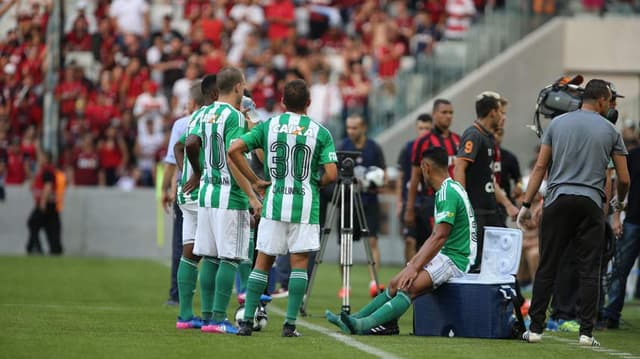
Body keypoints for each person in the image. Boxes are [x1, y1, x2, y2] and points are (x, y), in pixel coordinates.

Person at [518, 79, 630, 346]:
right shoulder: (610, 131)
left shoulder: (557, 124)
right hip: (591, 203)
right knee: (590, 269)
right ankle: (586, 333)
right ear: (602, 100)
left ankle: (535, 329)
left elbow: (540, 167)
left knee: (547, 265)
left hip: (558, 200)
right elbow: (623, 178)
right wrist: (619, 204)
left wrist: (525, 204)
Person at [228, 79, 338, 337]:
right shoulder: (321, 132)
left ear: (282, 102)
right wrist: (316, 184)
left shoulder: (269, 125)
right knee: (299, 263)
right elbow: (332, 174)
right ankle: (289, 325)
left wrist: (256, 181)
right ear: (309, 103)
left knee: (263, 261)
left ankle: (246, 322)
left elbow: (234, 149)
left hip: (274, 201)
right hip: (304, 203)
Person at [326, 146, 476, 335]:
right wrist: (413, 264)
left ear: (426, 167)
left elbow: (440, 236)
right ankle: (354, 319)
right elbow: (436, 236)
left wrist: (414, 267)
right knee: (394, 283)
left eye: (421, 169)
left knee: (407, 287)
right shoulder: (450, 188)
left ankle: (364, 325)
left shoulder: (447, 193)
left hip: (457, 259)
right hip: (449, 253)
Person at [184, 67, 261, 334]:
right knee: (230, 257)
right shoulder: (234, 116)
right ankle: (218, 319)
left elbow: (190, 142)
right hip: (230, 195)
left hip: (206, 193)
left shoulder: (201, 112)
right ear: (239, 87)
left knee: (210, 257)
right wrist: (252, 193)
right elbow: (232, 157)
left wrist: (198, 171)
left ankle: (206, 317)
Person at [163, 75, 218, 327]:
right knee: (216, 254)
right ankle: (211, 317)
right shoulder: (219, 116)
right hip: (209, 192)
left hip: (187, 193)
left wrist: (185, 174)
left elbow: (178, 147)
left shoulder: (190, 119)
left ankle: (185, 314)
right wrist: (197, 172)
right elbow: (191, 144)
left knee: (188, 249)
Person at [454, 92, 518, 273]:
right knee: (474, 261)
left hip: (489, 209)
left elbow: (489, 179)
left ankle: (515, 299)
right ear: (492, 112)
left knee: (503, 254)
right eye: (500, 112)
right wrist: (462, 203)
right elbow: (460, 166)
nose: (502, 116)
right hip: (476, 210)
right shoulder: (473, 135)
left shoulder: (488, 138)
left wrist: (508, 205)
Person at [340, 114, 386, 297]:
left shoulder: (374, 147)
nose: (351, 131)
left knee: (372, 241)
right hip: (348, 200)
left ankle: (374, 282)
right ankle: (346, 285)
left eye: (355, 127)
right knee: (346, 243)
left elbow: (383, 174)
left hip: (369, 201)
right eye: (348, 127)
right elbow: (335, 171)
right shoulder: (343, 147)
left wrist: (373, 180)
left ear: (363, 127)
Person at [601, 125, 640, 329]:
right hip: (633, 220)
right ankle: (611, 314)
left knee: (620, 269)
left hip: (633, 221)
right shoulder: (632, 156)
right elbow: (621, 186)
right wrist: (616, 217)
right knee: (619, 268)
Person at [404, 99, 459, 236]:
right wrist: (409, 208)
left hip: (455, 200)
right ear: (434, 114)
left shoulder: (459, 140)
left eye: (451, 112)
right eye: (444, 112)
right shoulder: (423, 142)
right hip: (432, 200)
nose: (448, 116)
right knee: (436, 242)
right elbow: (415, 176)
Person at [396, 114, 433, 262]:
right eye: (421, 128)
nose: (423, 131)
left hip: (428, 201)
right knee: (409, 240)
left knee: (427, 242)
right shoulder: (408, 148)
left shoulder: (434, 148)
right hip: (410, 201)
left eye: (427, 128)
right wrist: (400, 202)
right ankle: (408, 274)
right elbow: (401, 177)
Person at [26, 152, 65, 255]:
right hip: (49, 204)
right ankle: (54, 249)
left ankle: (35, 247)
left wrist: (43, 201)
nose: (39, 159)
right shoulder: (44, 170)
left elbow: (48, 186)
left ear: (46, 159)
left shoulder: (47, 170)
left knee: (33, 223)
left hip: (46, 204)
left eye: (41, 157)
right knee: (50, 228)